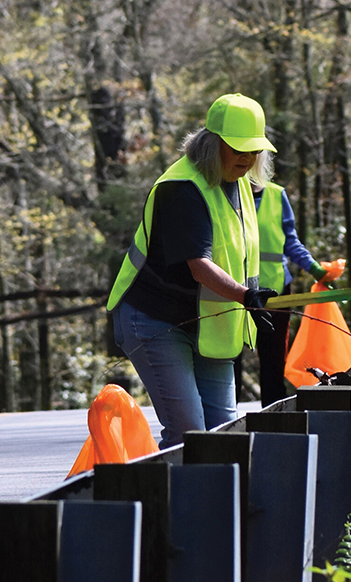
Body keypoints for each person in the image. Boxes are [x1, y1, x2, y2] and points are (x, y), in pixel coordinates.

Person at [106, 93, 280, 449]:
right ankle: (167, 487)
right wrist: (245, 296)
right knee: (188, 433)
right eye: (238, 148)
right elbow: (198, 265)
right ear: (212, 144)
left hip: (207, 324)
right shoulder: (181, 188)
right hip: (154, 320)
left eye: (254, 150)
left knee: (225, 432)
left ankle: (216, 489)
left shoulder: (241, 185)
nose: (247, 158)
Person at [242, 180, 337, 406]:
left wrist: (315, 269)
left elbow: (290, 241)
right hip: (233, 289)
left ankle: (274, 416)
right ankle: (226, 421)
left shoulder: (276, 195)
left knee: (273, 359)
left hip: (276, 291)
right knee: (229, 358)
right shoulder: (226, 189)